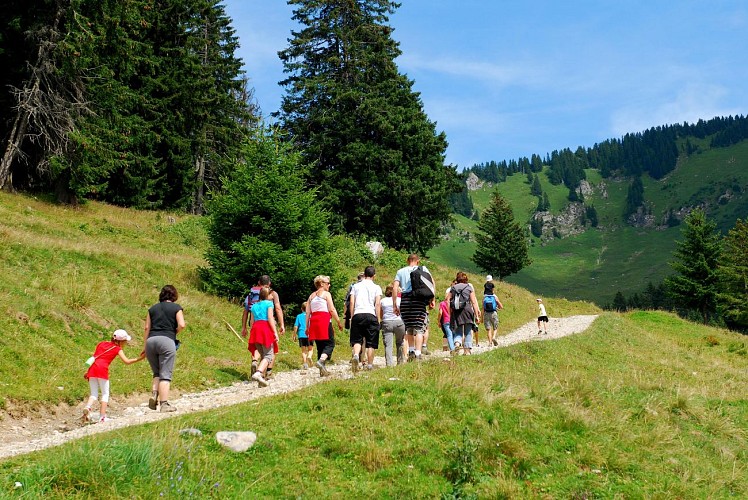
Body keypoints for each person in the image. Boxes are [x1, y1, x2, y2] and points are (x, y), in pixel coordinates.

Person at [82, 329, 145, 423]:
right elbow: (126, 361)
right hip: (102, 370)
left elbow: (95, 356)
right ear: (121, 341)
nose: (126, 343)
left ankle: (88, 407)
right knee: (105, 394)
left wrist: (88, 371)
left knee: (94, 394)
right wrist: (141, 358)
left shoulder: (101, 343)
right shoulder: (117, 349)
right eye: (125, 341)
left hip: (92, 368)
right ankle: (102, 417)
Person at [143, 285, 186, 413]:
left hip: (151, 342)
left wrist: (145, 346)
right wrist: (174, 332)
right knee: (165, 374)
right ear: (174, 295)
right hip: (166, 340)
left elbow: (146, 328)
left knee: (157, 372)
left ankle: (154, 393)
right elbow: (182, 324)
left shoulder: (152, 309)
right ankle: (164, 404)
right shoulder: (176, 308)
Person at [392, 254, 435, 361]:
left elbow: (395, 288)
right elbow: (431, 283)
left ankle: (411, 351)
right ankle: (418, 353)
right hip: (418, 301)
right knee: (419, 329)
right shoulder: (423, 269)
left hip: (405, 300)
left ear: (407, 261)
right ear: (418, 261)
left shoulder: (400, 271)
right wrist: (432, 299)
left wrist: (395, 305)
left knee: (409, 328)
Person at [241, 275, 285, 378]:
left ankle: (255, 361)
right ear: (269, 284)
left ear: (258, 282)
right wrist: (279, 327)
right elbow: (274, 313)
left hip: (255, 328)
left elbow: (248, 316)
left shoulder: (252, 298)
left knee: (261, 351)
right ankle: (263, 372)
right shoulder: (271, 298)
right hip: (266, 327)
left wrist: (245, 328)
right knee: (270, 352)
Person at [306, 275, 343, 377]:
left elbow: (308, 312)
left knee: (320, 346)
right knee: (330, 343)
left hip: (313, 321)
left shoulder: (311, 296)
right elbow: (331, 309)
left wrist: (306, 327)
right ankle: (321, 361)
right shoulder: (326, 294)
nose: (329, 285)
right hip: (324, 320)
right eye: (327, 283)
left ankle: (322, 371)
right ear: (321, 284)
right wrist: (339, 321)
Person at [349, 266, 382, 372]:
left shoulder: (356, 286)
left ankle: (355, 356)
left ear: (365, 274)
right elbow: (377, 304)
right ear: (374, 276)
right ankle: (370, 365)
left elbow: (352, 302)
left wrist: (352, 315)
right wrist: (378, 318)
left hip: (358, 314)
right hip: (371, 314)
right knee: (371, 342)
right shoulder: (377, 287)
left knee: (357, 340)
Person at [247, 287, 279, 387]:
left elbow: (251, 322)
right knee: (269, 355)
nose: (272, 296)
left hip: (256, 329)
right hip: (265, 328)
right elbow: (270, 318)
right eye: (271, 294)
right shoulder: (269, 304)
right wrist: (275, 332)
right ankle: (258, 372)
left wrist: (252, 332)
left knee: (262, 354)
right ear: (267, 295)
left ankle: (261, 379)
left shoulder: (254, 306)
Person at [447, 272, 481, 355]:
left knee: (458, 331)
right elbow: (473, 302)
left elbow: (448, 300)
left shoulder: (453, 288)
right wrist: (477, 315)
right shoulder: (469, 287)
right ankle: (467, 351)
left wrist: (449, 312)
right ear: (466, 279)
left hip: (457, 311)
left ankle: (457, 344)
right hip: (467, 311)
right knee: (468, 331)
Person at [380, 283, 405, 366]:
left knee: (388, 345)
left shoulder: (382, 301)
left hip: (387, 322)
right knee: (400, 343)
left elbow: (381, 313)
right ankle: (400, 362)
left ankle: (389, 364)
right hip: (399, 322)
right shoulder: (400, 300)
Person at [293, 301, 311, 369]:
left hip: (301, 335)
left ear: (301, 309)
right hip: (310, 334)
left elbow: (295, 326)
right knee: (310, 349)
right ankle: (309, 356)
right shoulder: (310, 315)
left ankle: (305, 363)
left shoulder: (298, 316)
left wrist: (294, 335)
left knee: (303, 351)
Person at [437, 288, 454, 353]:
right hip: (453, 320)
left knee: (449, 335)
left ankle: (452, 349)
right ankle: (456, 346)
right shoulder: (452, 303)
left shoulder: (442, 303)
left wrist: (438, 321)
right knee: (454, 334)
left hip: (446, 321)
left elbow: (440, 313)